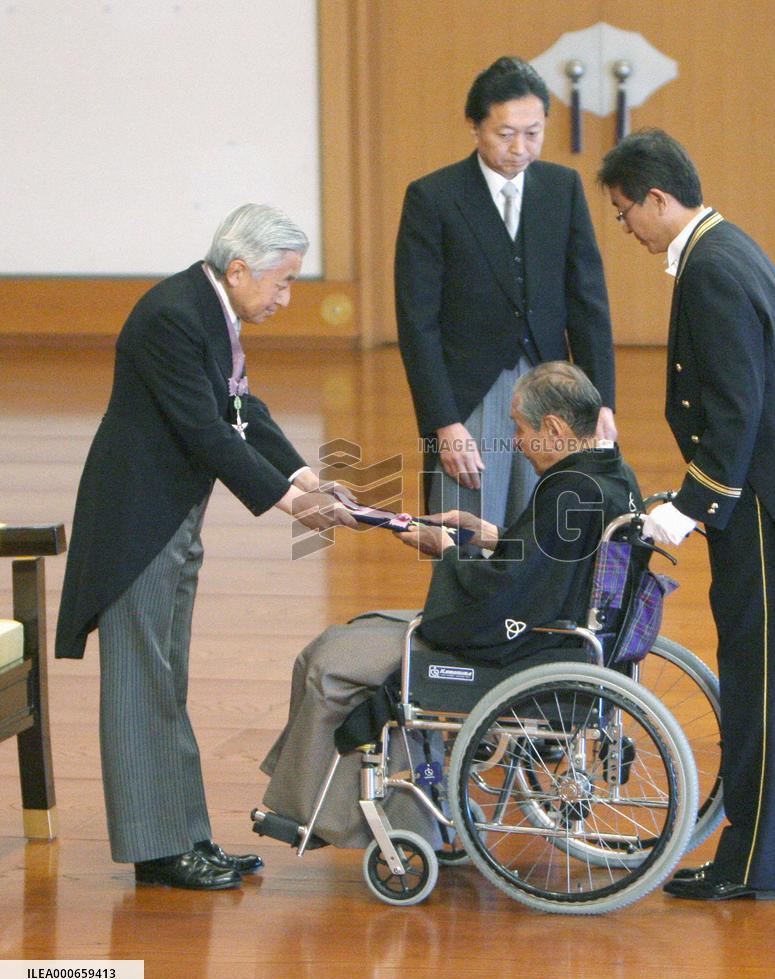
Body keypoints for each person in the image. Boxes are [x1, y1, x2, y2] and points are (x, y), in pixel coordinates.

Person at [55, 204, 358, 890]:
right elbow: (208, 432)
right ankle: (159, 852)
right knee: (142, 687)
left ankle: (185, 835)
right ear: (241, 267)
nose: (284, 298)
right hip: (138, 525)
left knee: (167, 682)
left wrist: (309, 478)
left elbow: (244, 411)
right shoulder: (173, 315)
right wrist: (291, 504)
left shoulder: (205, 308)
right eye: (280, 283)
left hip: (171, 519)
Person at [597, 129, 775, 901]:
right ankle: (756, 858)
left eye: (623, 214)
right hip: (770, 500)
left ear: (655, 199)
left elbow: (735, 412)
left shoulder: (710, 269)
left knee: (767, 688)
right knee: (760, 681)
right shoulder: (724, 245)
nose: (625, 230)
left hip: (765, 511)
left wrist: (688, 508)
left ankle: (755, 868)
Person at [259, 362, 641, 849]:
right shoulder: (611, 475)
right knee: (351, 636)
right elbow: (552, 568)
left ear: (554, 428)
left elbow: (511, 592)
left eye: (521, 429)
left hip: (523, 651)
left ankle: (330, 815)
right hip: (558, 634)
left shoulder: (571, 489)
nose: (517, 443)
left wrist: (448, 550)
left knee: (331, 659)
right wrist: (489, 536)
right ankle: (337, 804)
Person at [395, 56, 617, 533]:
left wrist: (601, 402)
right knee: (468, 528)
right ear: (475, 127)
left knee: (542, 525)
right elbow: (418, 322)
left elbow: (588, 305)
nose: (520, 147)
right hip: (470, 391)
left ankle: (534, 613)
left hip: (550, 385)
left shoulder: (563, 189)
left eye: (533, 133)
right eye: (505, 133)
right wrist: (444, 423)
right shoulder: (433, 198)